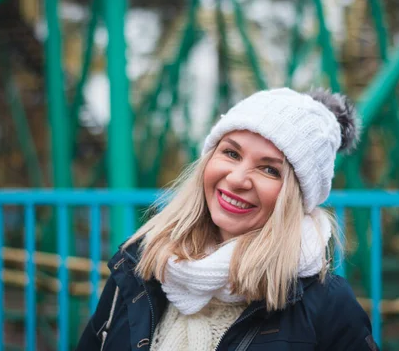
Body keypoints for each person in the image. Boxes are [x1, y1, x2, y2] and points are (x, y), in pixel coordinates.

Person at [76, 88, 377, 351]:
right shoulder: (139, 268)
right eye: (231, 153)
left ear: (296, 197)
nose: (237, 179)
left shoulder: (327, 306)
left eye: (269, 170)